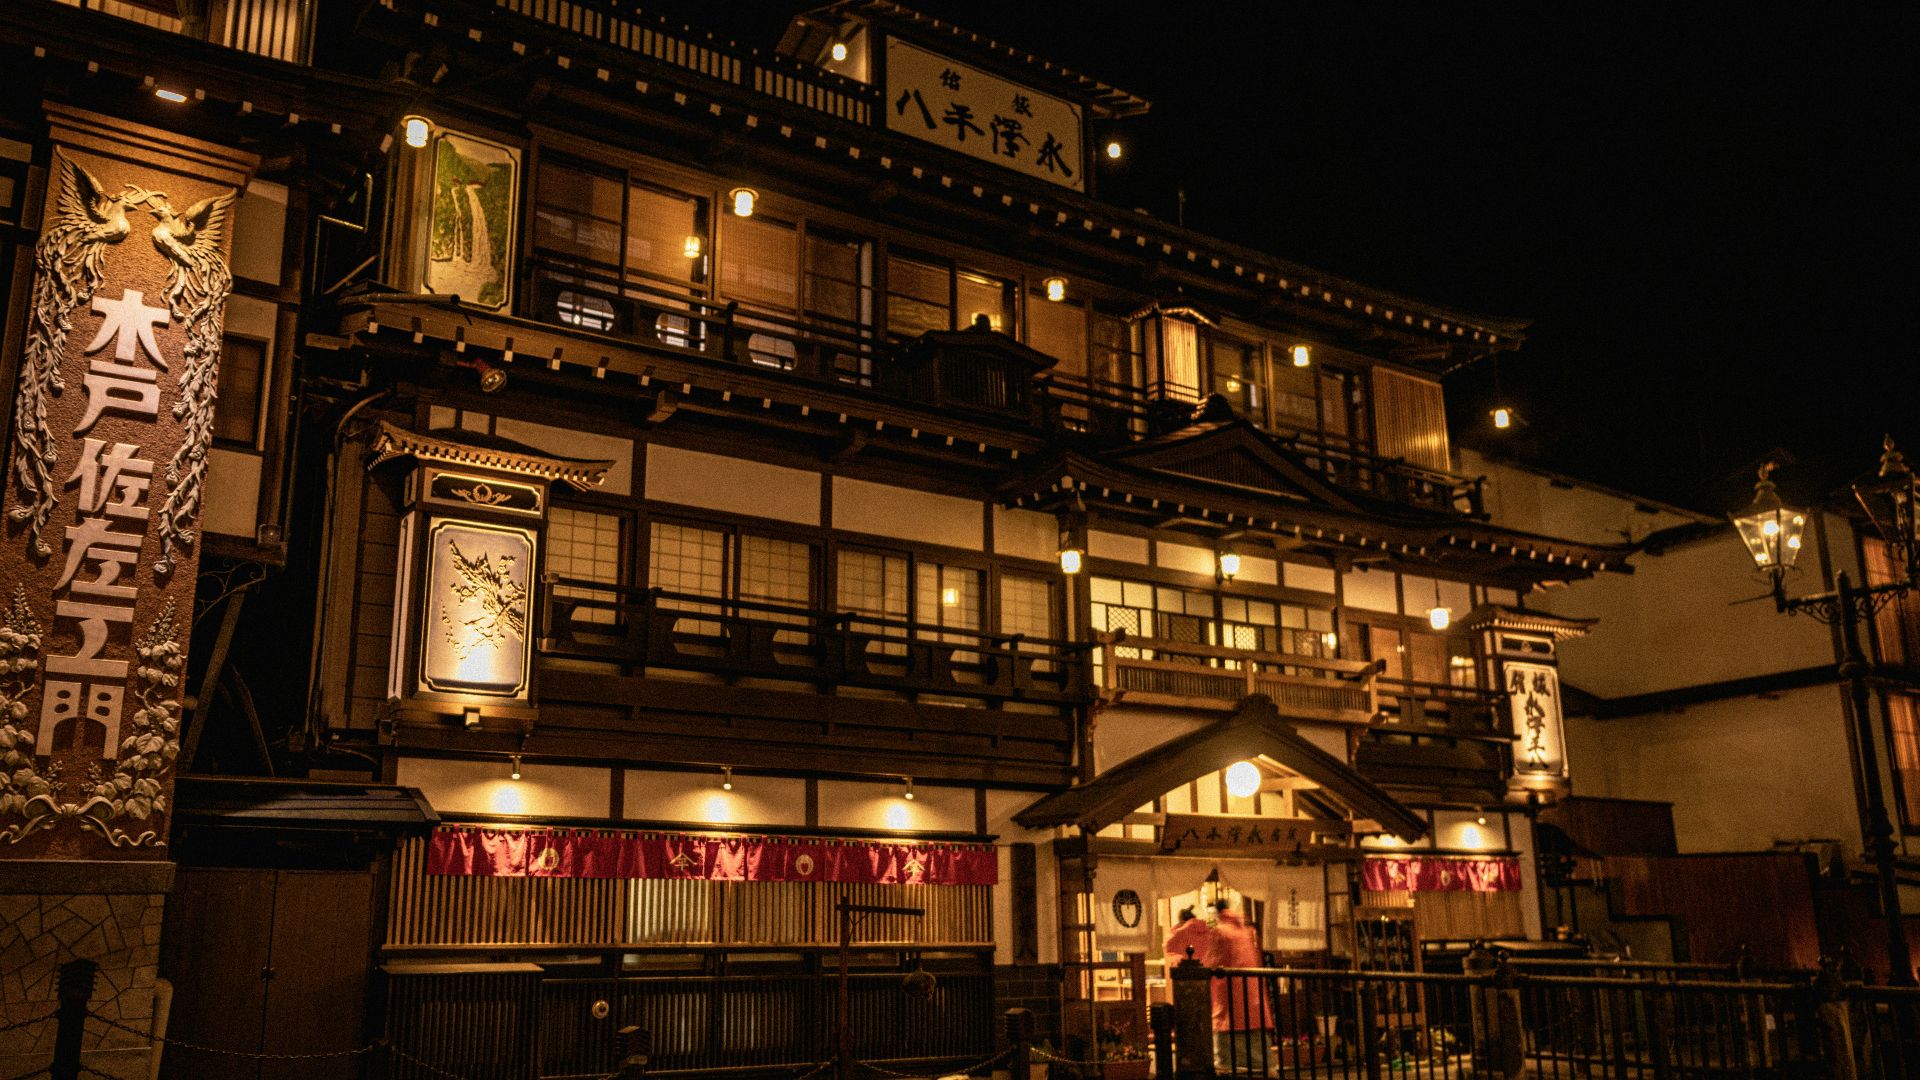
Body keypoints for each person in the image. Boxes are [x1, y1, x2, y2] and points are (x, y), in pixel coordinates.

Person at [1204, 898, 1271, 1072]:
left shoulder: (1219, 931)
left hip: (1229, 992)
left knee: (1228, 1055)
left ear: (1218, 913)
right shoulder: (1246, 930)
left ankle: (1228, 1067)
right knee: (1256, 1038)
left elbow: (1212, 960)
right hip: (1252, 992)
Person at [1163, 906, 1212, 971]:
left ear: (1182, 920)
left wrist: (1176, 928)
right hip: (1205, 970)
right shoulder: (1207, 931)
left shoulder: (1181, 932)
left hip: (1187, 972)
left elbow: (1168, 947)